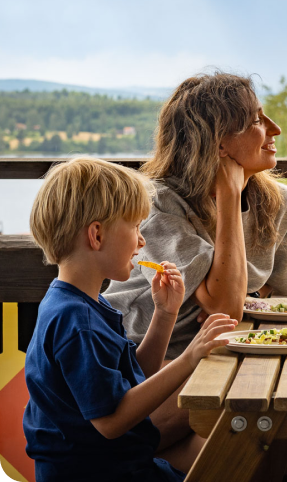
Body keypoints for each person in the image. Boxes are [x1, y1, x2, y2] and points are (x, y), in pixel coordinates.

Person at [103, 72, 287, 450]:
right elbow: (227, 305)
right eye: (258, 121)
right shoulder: (159, 204)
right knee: (251, 431)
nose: (275, 129)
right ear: (220, 143)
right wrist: (228, 194)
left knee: (261, 439)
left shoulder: (278, 204)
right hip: (135, 375)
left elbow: (273, 298)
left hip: (218, 355)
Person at [23, 157, 237, 481]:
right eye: (135, 226)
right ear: (96, 235)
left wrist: (165, 315)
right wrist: (191, 357)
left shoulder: (82, 304)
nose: (142, 241)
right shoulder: (76, 321)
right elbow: (111, 422)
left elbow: (131, 380)